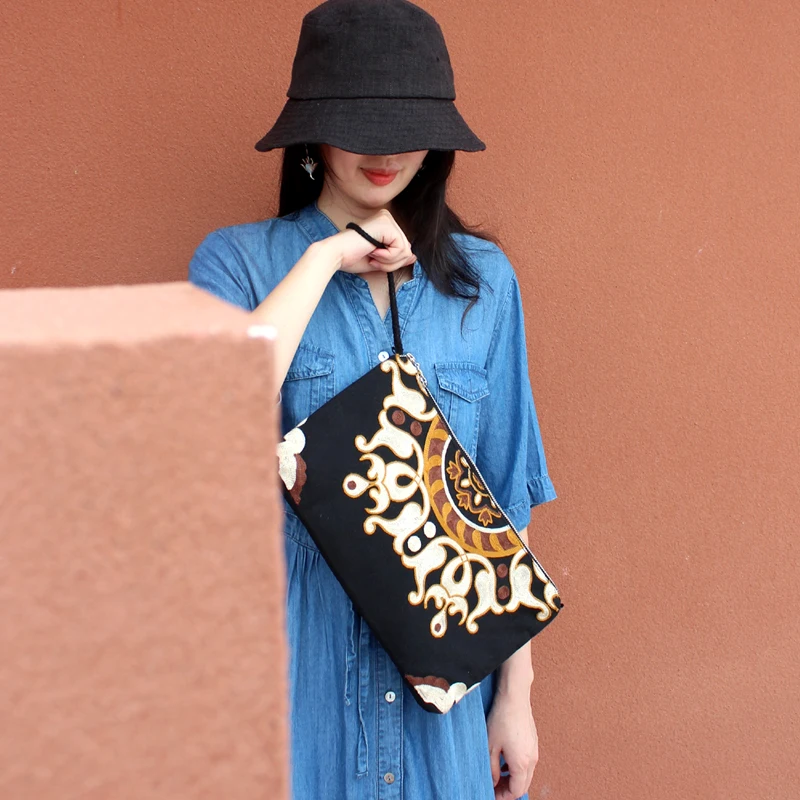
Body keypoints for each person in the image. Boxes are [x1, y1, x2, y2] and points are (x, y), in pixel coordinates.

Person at [189, 1, 556, 798]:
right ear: (312, 133)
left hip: (441, 707)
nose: (386, 151)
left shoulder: (484, 284)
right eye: (359, 126)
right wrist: (322, 260)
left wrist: (515, 699)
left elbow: (502, 504)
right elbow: (210, 416)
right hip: (294, 679)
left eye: (406, 126)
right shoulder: (238, 265)